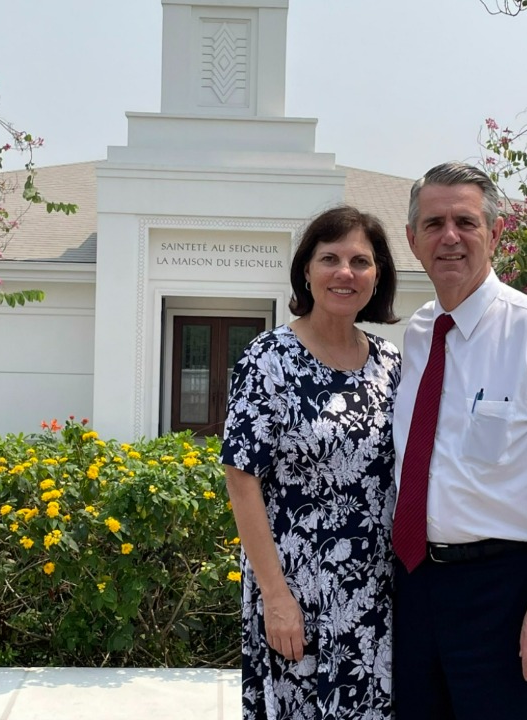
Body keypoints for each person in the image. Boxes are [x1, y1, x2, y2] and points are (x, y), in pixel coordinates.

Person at [392, 162, 527, 719]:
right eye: (433, 224)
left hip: (506, 595)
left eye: (466, 221)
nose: (450, 237)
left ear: (496, 233)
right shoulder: (415, 336)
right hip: (414, 590)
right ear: (412, 240)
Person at [221, 205, 401, 720]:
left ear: (378, 275)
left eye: (360, 261)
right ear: (306, 269)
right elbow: (241, 480)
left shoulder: (390, 364)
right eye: (330, 258)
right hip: (297, 594)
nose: (345, 273)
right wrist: (275, 597)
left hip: (377, 596)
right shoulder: (268, 359)